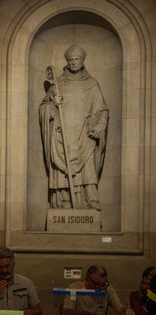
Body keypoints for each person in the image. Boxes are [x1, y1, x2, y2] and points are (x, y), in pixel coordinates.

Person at [39, 44, 109, 210]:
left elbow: (103, 109)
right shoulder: (58, 83)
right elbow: (43, 107)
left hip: (85, 134)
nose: (73, 62)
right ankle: (64, 202)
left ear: (83, 61)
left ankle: (90, 200)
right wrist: (53, 105)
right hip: (62, 133)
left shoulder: (92, 84)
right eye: (70, 59)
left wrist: (100, 125)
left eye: (77, 59)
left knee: (87, 166)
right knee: (62, 166)